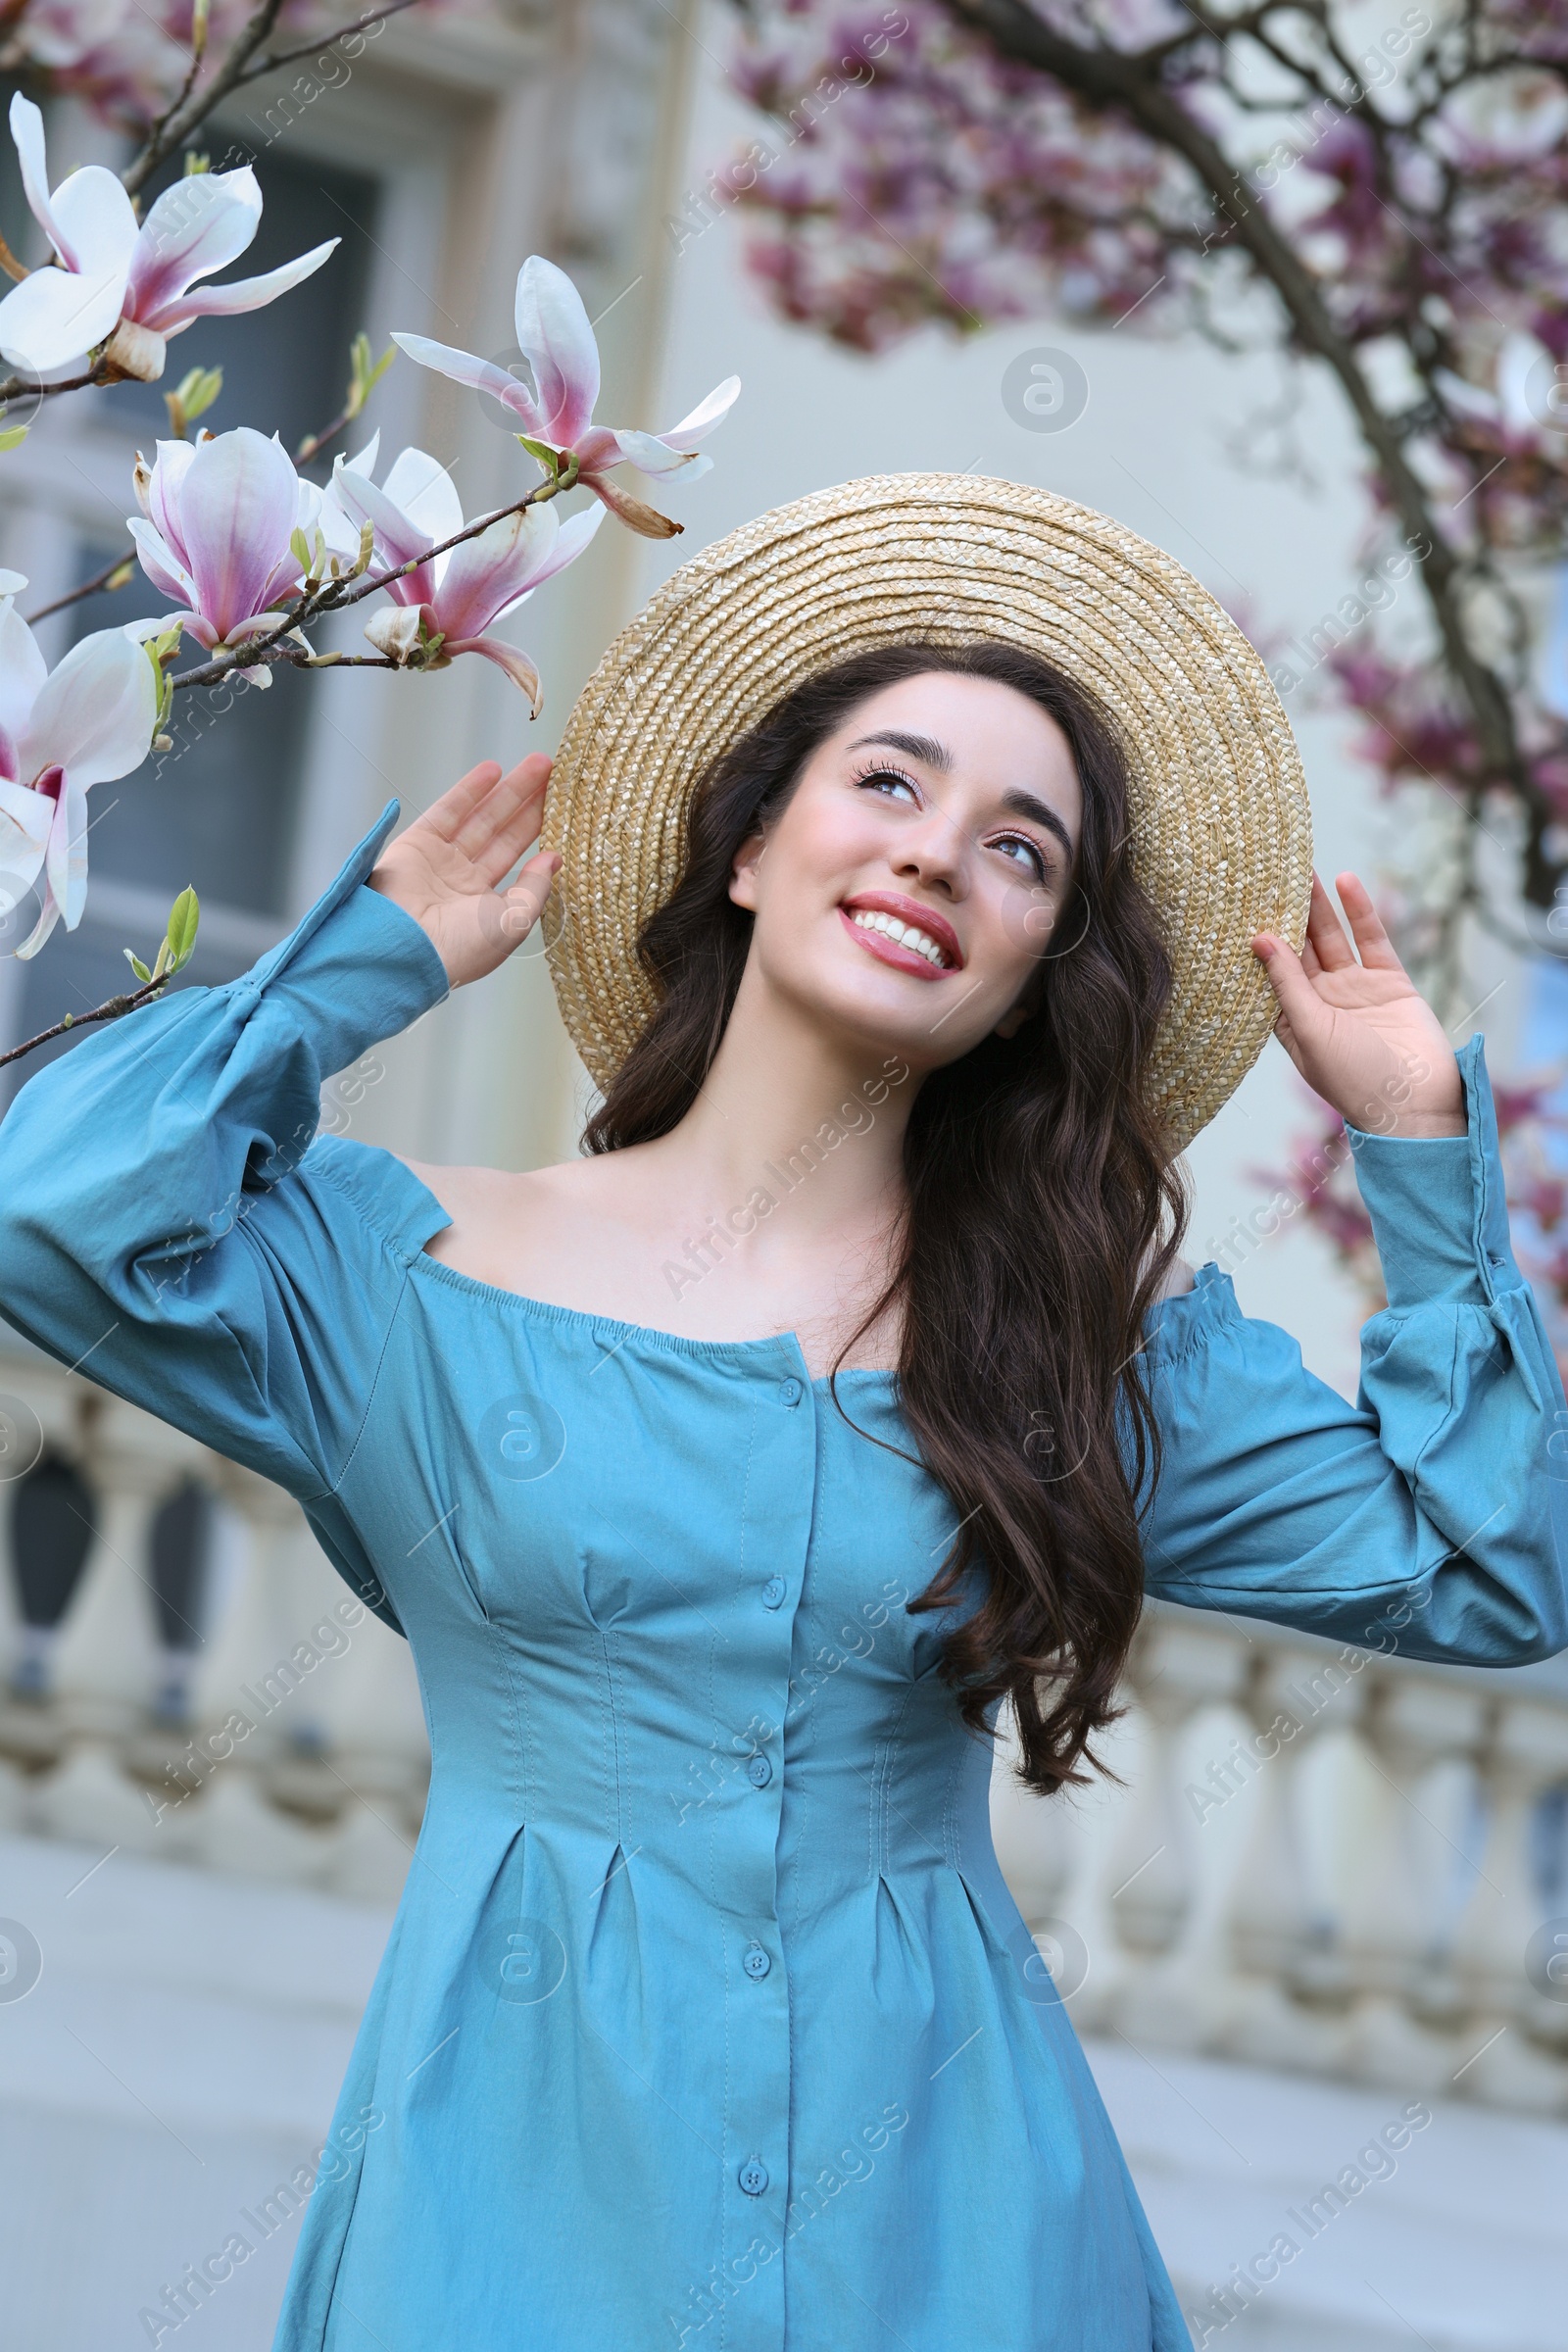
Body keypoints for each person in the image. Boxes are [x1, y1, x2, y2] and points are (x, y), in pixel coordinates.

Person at [0, 475, 1561, 2352]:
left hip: (960, 2231)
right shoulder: (405, 1279)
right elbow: (52, 1214)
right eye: (889, 785)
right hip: (511, 2201)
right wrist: (366, 967)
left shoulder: (1079, 1358)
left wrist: (1412, 1149)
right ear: (750, 846)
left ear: (1025, 983)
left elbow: (1491, 1571)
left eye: (1021, 852)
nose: (937, 858)